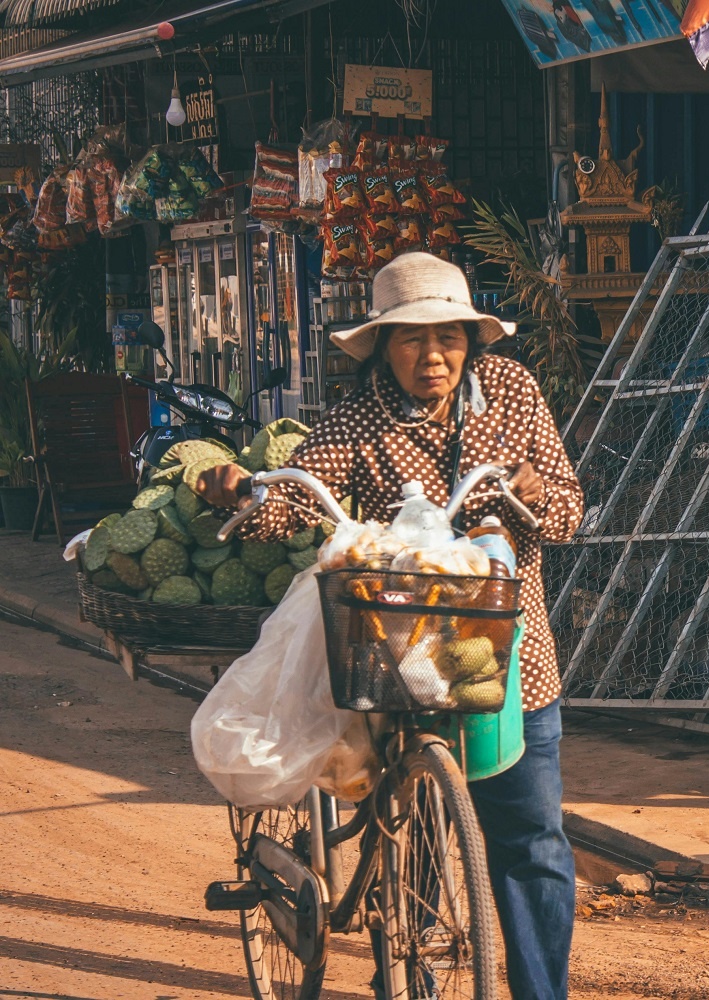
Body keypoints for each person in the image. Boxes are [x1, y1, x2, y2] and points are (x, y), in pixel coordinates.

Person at [199, 251, 583, 1000]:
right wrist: (240, 492)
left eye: (448, 337)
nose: (431, 356)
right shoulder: (356, 417)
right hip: (395, 656)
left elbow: (568, 509)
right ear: (382, 345)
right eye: (411, 339)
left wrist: (536, 490)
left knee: (532, 843)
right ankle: (410, 973)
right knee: (408, 834)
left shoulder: (513, 390)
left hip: (507, 659)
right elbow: (298, 499)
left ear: (472, 340)